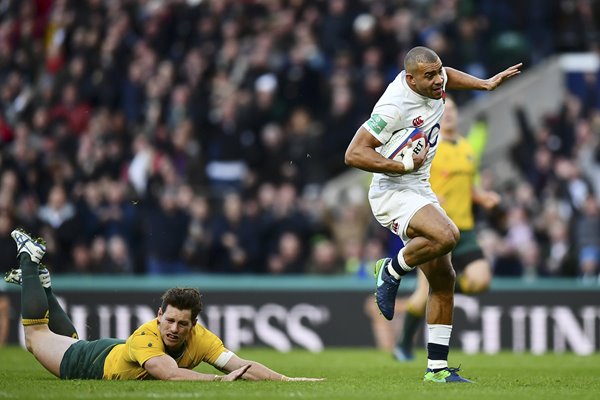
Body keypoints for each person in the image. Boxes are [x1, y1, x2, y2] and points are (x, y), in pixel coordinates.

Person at [344, 46, 521, 383]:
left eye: (439, 71)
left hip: (419, 187)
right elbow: (353, 154)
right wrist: (399, 165)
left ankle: (437, 369)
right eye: (430, 75)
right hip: (392, 189)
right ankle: (391, 269)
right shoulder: (393, 106)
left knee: (444, 279)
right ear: (410, 79)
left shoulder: (436, 80)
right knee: (447, 235)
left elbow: (449, 74)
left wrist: (484, 84)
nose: (439, 79)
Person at [4, 229, 323, 382]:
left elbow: (238, 365)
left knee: (61, 338)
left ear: (193, 325)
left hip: (108, 352)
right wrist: (217, 381)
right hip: (86, 363)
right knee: (35, 338)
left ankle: (43, 285)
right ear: (159, 316)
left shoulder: (202, 339)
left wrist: (287, 381)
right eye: (169, 320)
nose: (173, 328)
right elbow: (167, 373)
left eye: (182, 324)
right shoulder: (147, 335)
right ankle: (29, 258)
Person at [393, 96, 500, 362]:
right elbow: (410, 178)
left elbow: (469, 185)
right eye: (445, 110)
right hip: (436, 230)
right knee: (422, 294)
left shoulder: (466, 147)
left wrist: (482, 197)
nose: (449, 114)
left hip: (464, 228)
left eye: (453, 110)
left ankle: (442, 288)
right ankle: (403, 345)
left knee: (481, 280)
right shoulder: (428, 146)